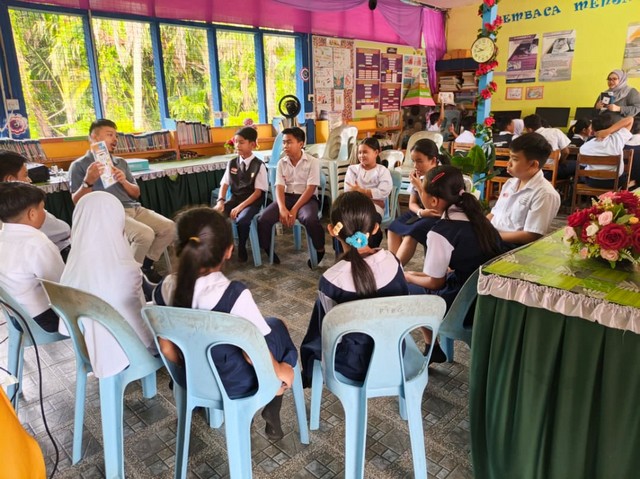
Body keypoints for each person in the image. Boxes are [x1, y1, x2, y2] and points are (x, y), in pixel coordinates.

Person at [153, 207, 297, 440]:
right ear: (229, 250)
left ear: (178, 247)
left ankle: (263, 400)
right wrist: (281, 370)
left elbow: (165, 346)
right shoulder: (234, 294)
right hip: (234, 383)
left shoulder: (163, 288)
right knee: (277, 329)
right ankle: (275, 397)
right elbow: (252, 354)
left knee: (272, 326)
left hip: (192, 378)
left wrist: (191, 371)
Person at [300, 191, 409, 384]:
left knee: (316, 331)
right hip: (395, 353)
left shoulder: (331, 280)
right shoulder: (393, 261)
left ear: (332, 230)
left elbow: (327, 332)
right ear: (375, 228)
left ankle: (307, 375)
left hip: (352, 366)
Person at [405, 166, 504, 361]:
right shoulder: (479, 219)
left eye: (421, 190)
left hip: (464, 306)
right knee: (415, 277)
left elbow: (435, 283)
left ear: (434, 201)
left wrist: (407, 276)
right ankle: (433, 349)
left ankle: (432, 346)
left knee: (405, 287)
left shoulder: (441, 232)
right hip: (489, 299)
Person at [60, 191, 156, 378]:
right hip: (128, 353)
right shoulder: (126, 270)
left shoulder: (71, 266)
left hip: (88, 349)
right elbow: (140, 325)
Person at [68, 119, 175, 282]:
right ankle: (129, 279)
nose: (115, 139)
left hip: (134, 208)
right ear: (94, 137)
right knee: (144, 235)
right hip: (108, 212)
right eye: (110, 135)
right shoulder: (79, 166)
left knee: (170, 227)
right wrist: (88, 181)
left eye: (116, 136)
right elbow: (77, 202)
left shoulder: (121, 162)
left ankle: (145, 266)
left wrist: (124, 181)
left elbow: (136, 193)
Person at [0, 182, 63, 332]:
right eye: (43, 208)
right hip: (44, 320)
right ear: (32, 214)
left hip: (16, 316)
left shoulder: (2, 237)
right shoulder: (37, 243)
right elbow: (62, 286)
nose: (45, 213)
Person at [257, 127, 325, 267]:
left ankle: (320, 249)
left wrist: (294, 210)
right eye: (284, 142)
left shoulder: (312, 161)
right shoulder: (282, 163)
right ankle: (268, 249)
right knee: (264, 218)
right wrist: (282, 208)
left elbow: (311, 188)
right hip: (287, 198)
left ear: (300, 144)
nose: (285, 146)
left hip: (307, 199)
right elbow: (279, 187)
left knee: (310, 219)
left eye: (289, 142)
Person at [488, 133, 561, 248]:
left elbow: (531, 235)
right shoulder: (510, 183)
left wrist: (492, 237)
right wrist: (480, 228)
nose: (509, 163)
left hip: (511, 246)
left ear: (533, 164)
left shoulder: (544, 193)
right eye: (510, 157)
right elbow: (494, 214)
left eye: (515, 159)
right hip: (492, 238)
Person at [0, 150, 71, 260]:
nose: (29, 180)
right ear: (10, 180)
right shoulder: (22, 206)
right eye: (25, 175)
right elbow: (63, 231)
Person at [213, 126, 268, 262]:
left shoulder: (259, 165)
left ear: (252, 145)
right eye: (236, 142)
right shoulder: (232, 163)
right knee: (216, 216)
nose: (237, 145)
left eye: (241, 142)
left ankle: (242, 245)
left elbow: (258, 193)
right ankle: (225, 247)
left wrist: (240, 207)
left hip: (252, 202)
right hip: (235, 199)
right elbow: (224, 184)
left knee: (242, 220)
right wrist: (220, 201)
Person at [387, 139, 442, 265]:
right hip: (421, 212)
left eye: (419, 161)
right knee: (393, 227)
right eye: (413, 161)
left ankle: (396, 269)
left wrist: (419, 186)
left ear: (433, 160)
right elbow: (412, 203)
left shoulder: (440, 176)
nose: (415, 166)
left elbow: (433, 207)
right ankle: (392, 265)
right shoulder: (418, 176)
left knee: (412, 232)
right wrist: (420, 212)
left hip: (436, 215)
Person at [344, 137, 392, 248]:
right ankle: (345, 253)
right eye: (359, 152)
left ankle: (369, 252)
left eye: (365, 152)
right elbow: (349, 191)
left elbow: (383, 192)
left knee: (369, 225)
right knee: (342, 223)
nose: (361, 155)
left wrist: (361, 191)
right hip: (355, 206)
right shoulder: (352, 169)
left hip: (375, 208)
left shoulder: (382, 171)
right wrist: (371, 196)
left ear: (376, 152)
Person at [579, 113, 634, 189]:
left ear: (593, 129)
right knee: (625, 176)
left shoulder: (584, 147)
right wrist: (608, 131)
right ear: (611, 126)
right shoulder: (617, 138)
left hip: (593, 182)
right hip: (614, 182)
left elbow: (583, 164)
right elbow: (630, 119)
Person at [523, 114, 573, 179]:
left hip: (534, 172)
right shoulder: (555, 131)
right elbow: (566, 152)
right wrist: (559, 163)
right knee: (577, 165)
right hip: (551, 171)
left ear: (529, 129)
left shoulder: (527, 139)